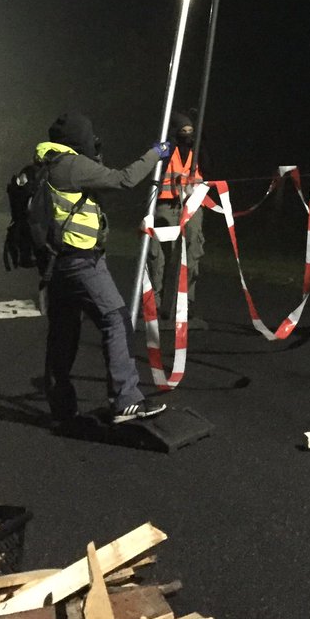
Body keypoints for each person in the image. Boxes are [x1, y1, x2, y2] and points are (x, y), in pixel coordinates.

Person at [36, 110, 172, 430]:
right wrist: (156, 153)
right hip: (82, 262)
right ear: (77, 137)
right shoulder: (72, 165)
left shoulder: (49, 164)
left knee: (63, 335)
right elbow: (124, 179)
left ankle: (62, 407)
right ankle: (126, 400)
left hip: (56, 265)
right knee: (116, 320)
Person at [147, 109, 208, 329]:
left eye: (191, 130)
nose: (187, 134)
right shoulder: (166, 149)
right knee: (159, 256)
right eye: (183, 130)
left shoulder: (198, 150)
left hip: (192, 207)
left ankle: (185, 305)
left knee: (192, 254)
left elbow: (208, 170)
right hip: (166, 206)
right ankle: (154, 304)